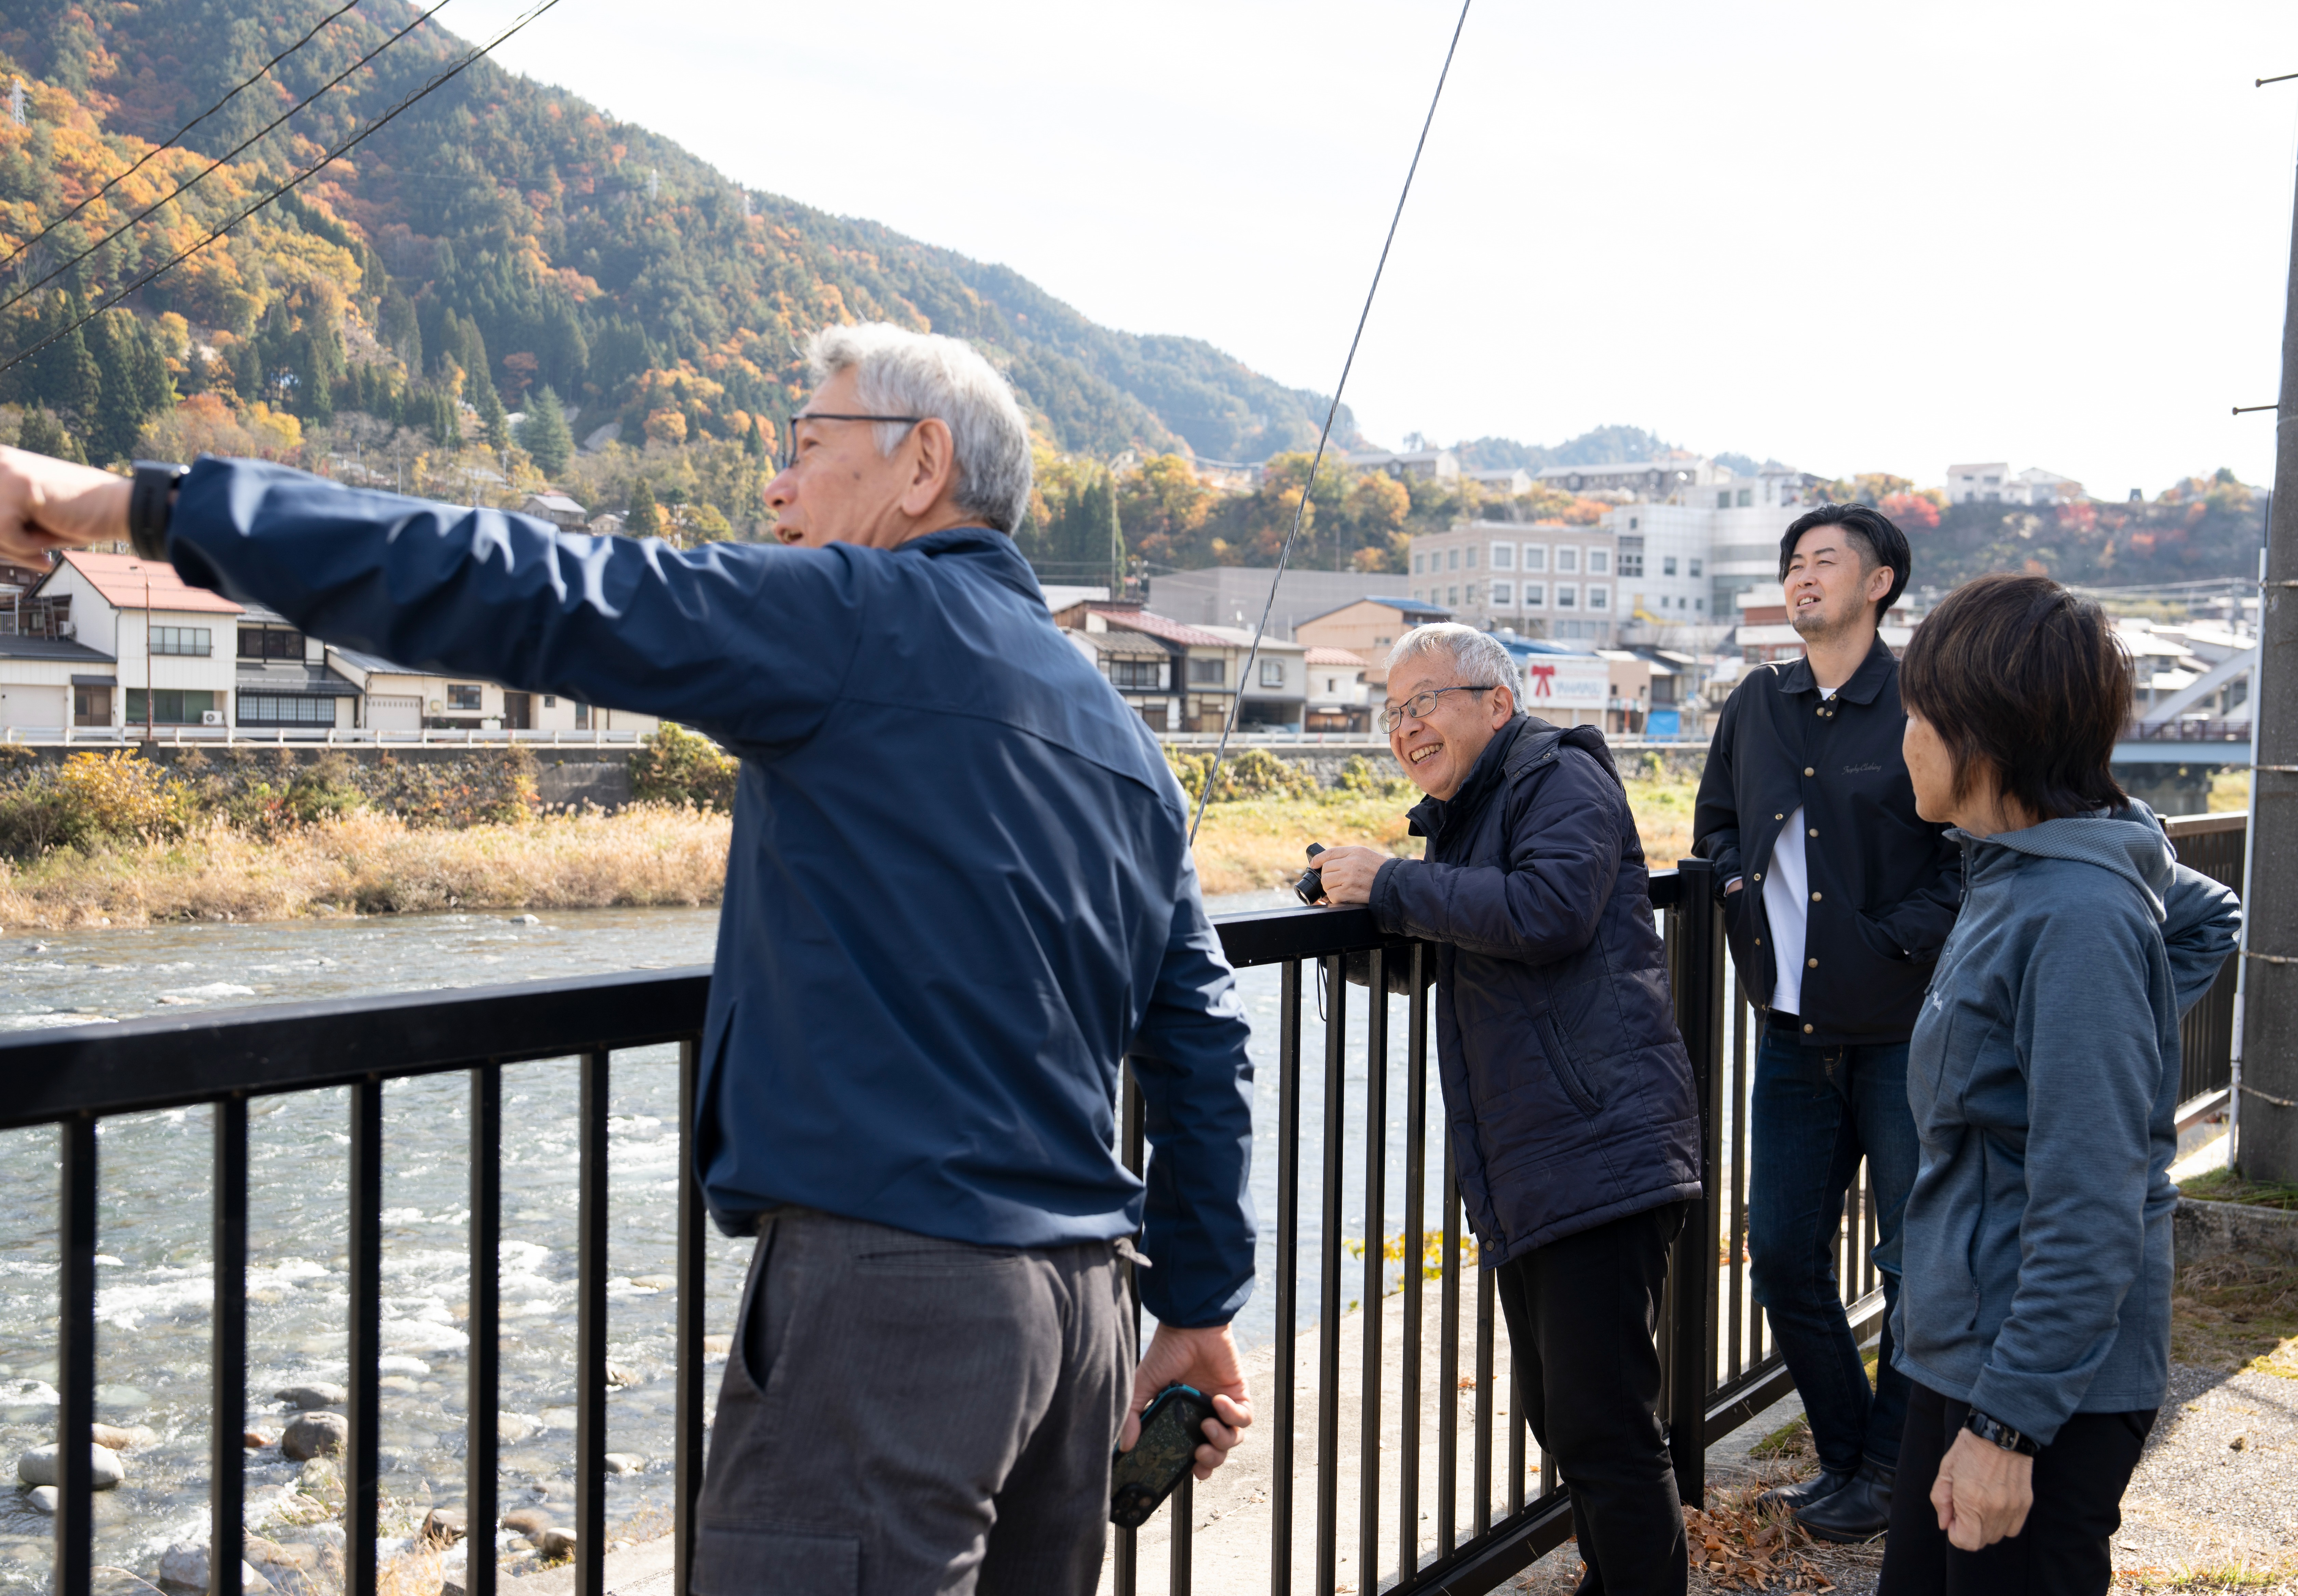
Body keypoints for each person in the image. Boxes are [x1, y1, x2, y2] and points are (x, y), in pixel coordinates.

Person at [0, 324, 1258, 1596]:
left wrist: (139, 507)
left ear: (921, 464)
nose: (777, 484)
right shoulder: (1121, 733)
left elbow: (525, 581)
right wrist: (1198, 1306)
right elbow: (1202, 1040)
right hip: (1082, 1321)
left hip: (894, 1307)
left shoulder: (851, 617)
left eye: (806, 445)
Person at [1313, 623, 1702, 1595]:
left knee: (1604, 1426)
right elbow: (1458, 954)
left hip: (1598, 1147)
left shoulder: (1558, 775)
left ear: (1497, 702)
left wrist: (1392, 882)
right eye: (1393, 714)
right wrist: (1351, 922)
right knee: (1563, 1419)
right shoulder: (1471, 813)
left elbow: (1546, 912)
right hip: (1538, 1161)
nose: (1407, 728)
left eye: (1424, 703)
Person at [1880, 573, 2238, 1593]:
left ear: (1983, 734)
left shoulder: (2076, 916)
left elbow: (2092, 1204)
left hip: (2035, 1388)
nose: (1904, 740)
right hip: (1976, 1348)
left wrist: (2008, 1426)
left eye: (1917, 714)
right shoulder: (2013, 870)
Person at [1691, 504, 1961, 1540]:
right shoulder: (1758, 702)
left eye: (1825, 562)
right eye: (1793, 564)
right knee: (1782, 1257)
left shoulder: (1928, 699)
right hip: (1793, 1035)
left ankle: (1889, 1469)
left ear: (1880, 583)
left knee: (1914, 1265)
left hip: (1900, 1032)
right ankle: (1854, 1459)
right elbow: (1717, 825)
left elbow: (1965, 853)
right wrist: (1732, 889)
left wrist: (1888, 942)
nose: (1802, 578)